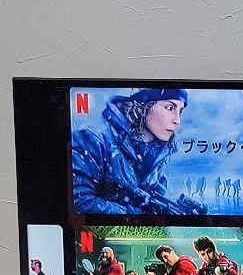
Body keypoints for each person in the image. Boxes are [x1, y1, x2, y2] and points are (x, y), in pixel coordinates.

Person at [72, 87, 203, 214]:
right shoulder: (93, 139)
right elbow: (79, 201)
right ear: (144, 105)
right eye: (169, 108)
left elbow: (155, 197)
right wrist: (134, 214)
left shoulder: (161, 153)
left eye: (180, 111)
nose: (177, 120)